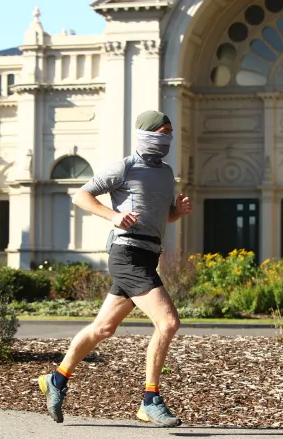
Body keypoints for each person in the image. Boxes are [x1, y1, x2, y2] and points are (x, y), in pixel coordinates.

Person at [37, 110, 192, 427]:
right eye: (162, 131)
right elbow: (81, 196)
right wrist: (112, 215)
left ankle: (57, 377)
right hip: (127, 253)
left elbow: (163, 219)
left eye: (170, 132)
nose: (167, 138)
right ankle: (150, 400)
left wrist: (178, 211)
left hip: (148, 254)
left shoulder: (165, 173)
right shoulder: (125, 166)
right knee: (168, 323)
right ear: (146, 134)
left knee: (103, 329)